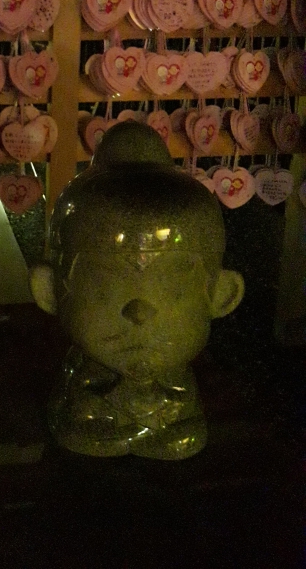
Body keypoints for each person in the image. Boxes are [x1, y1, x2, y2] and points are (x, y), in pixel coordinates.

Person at [31, 122, 244, 459]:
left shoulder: (180, 387)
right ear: (49, 291)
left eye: (173, 288)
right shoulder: (81, 384)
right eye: (104, 286)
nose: (140, 311)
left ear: (223, 296)